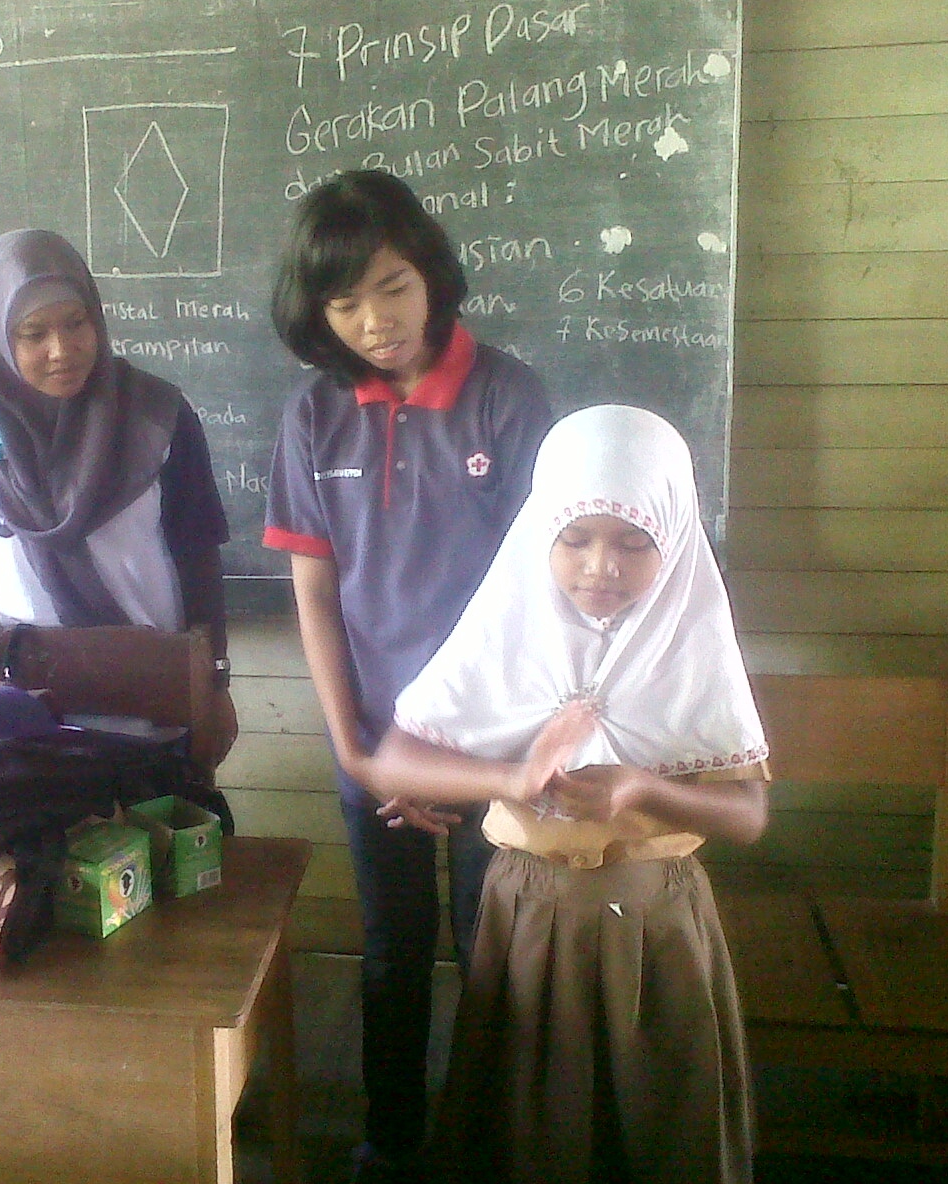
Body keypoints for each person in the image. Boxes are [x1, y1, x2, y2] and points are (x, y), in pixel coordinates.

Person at [369, 404, 769, 1183]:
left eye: (633, 542)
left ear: (674, 539)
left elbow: (749, 816)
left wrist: (641, 787)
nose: (600, 566)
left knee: (657, 1129)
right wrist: (509, 778)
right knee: (530, 1127)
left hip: (658, 924)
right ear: (540, 533)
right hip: (527, 913)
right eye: (575, 538)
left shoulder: (693, 644)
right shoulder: (508, 627)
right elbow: (394, 762)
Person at [262, 169, 552, 1182]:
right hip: (374, 743)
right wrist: (359, 752)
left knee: (490, 951)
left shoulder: (507, 397)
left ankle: (487, 1141)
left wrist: (457, 754)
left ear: (429, 271)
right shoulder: (313, 417)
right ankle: (389, 1144)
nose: (375, 322)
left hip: (491, 746)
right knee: (389, 952)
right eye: (344, 304)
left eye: (391, 287)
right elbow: (315, 593)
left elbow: (535, 597)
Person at [0, 229, 234, 752]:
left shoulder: (158, 415)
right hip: (30, 690)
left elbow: (198, 552)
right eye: (33, 334)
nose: (62, 350)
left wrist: (213, 675)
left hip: (154, 680)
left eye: (76, 323)